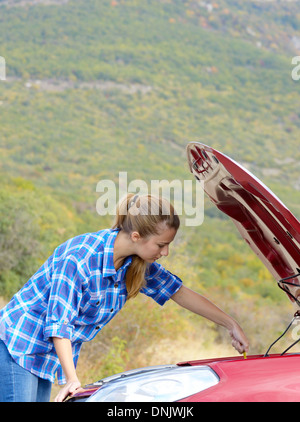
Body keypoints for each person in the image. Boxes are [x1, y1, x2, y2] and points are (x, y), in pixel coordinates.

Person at [0, 193, 249, 402]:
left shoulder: (135, 263)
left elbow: (179, 293)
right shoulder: (80, 258)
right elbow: (59, 323)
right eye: (161, 245)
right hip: (19, 344)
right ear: (136, 236)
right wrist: (71, 377)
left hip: (47, 355)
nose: (166, 252)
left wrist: (231, 324)